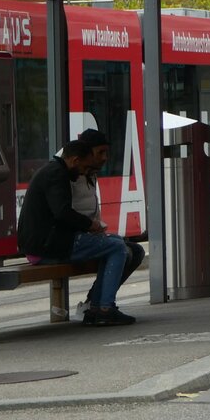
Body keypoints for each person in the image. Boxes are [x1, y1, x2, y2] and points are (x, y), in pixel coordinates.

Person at [17, 138, 136, 327]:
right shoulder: (57, 175)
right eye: (85, 167)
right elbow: (62, 212)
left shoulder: (54, 171)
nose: (84, 173)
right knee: (116, 246)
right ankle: (104, 308)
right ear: (74, 160)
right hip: (46, 246)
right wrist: (90, 225)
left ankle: (97, 307)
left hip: (45, 242)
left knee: (113, 242)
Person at [70, 128, 145, 317]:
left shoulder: (90, 174)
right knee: (118, 248)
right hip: (73, 237)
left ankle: (92, 303)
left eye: (106, 152)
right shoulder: (70, 174)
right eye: (100, 153)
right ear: (85, 154)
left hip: (88, 234)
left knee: (135, 250)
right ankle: (103, 306)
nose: (105, 158)